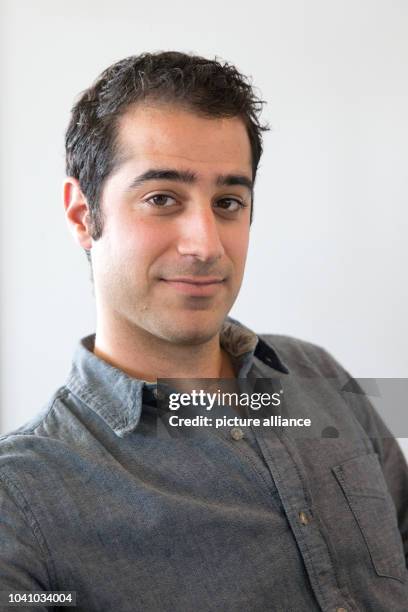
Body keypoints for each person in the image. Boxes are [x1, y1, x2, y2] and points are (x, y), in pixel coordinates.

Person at [0, 51, 407, 612]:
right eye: (162, 198)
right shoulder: (21, 498)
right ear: (81, 215)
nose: (207, 245)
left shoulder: (322, 377)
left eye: (228, 203)